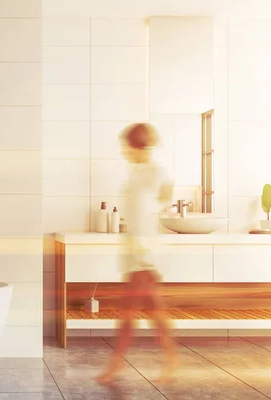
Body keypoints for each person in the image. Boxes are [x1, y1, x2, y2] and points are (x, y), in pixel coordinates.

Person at [96, 122, 179, 384]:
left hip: (145, 256)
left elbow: (158, 202)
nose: (123, 152)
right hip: (136, 254)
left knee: (128, 313)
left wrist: (144, 257)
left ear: (137, 146)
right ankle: (171, 357)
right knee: (154, 312)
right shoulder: (136, 174)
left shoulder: (155, 174)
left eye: (126, 146)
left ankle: (115, 364)